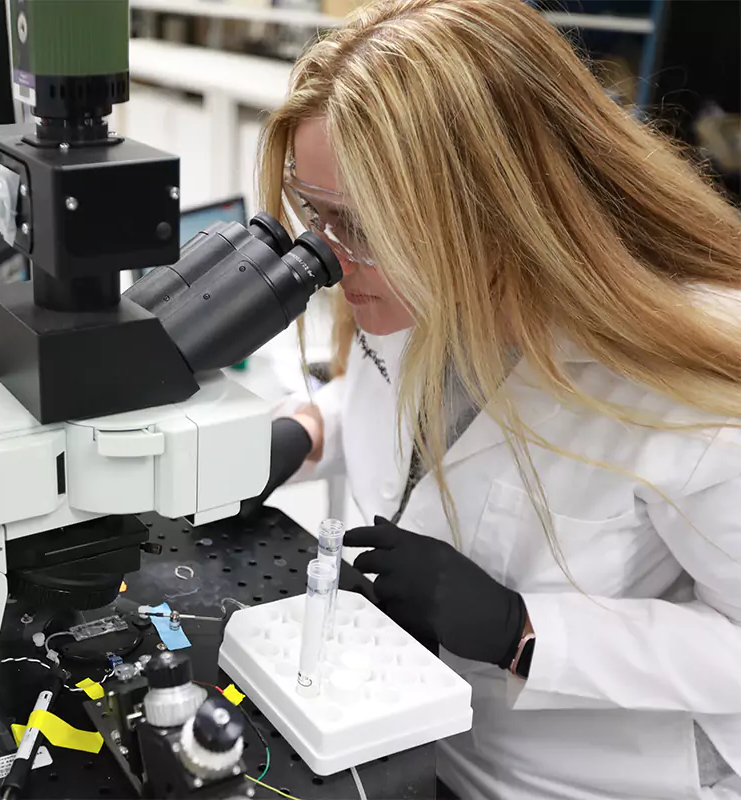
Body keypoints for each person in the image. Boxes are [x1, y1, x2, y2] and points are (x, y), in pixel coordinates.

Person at [256, 0, 741, 798]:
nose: (332, 262)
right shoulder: (416, 288)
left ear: (496, 212)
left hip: (567, 781)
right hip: (405, 733)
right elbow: (407, 407)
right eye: (316, 214)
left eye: (361, 226)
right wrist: (307, 430)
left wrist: (520, 630)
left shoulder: (691, 379)